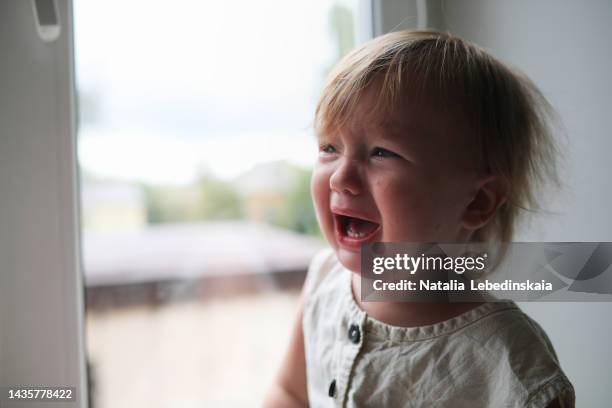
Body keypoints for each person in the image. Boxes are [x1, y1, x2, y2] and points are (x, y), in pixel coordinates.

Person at [263, 30, 575, 407]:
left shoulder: (510, 366)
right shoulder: (324, 280)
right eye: (330, 147)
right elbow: (290, 392)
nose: (340, 178)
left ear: (477, 201)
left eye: (381, 152)